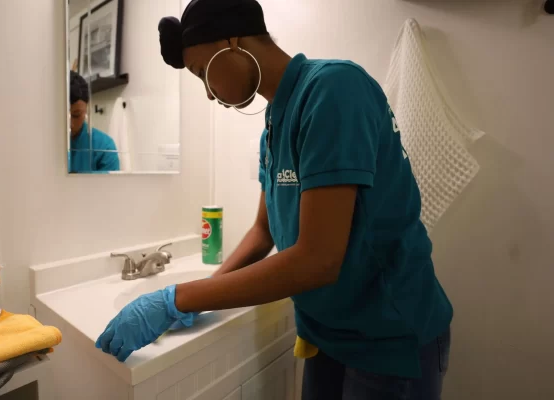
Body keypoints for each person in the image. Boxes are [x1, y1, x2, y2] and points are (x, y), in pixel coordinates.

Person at [96, 1, 452, 398]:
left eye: (202, 74)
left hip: (387, 335)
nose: (210, 96)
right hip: (327, 334)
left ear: (232, 41)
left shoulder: (333, 89)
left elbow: (318, 259)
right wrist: (202, 294)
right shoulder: (273, 127)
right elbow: (263, 231)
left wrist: (177, 297)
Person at [69, 71, 120, 173]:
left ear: (87, 109)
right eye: (63, 116)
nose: (70, 124)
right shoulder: (41, 144)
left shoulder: (104, 147)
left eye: (76, 115)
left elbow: (112, 188)